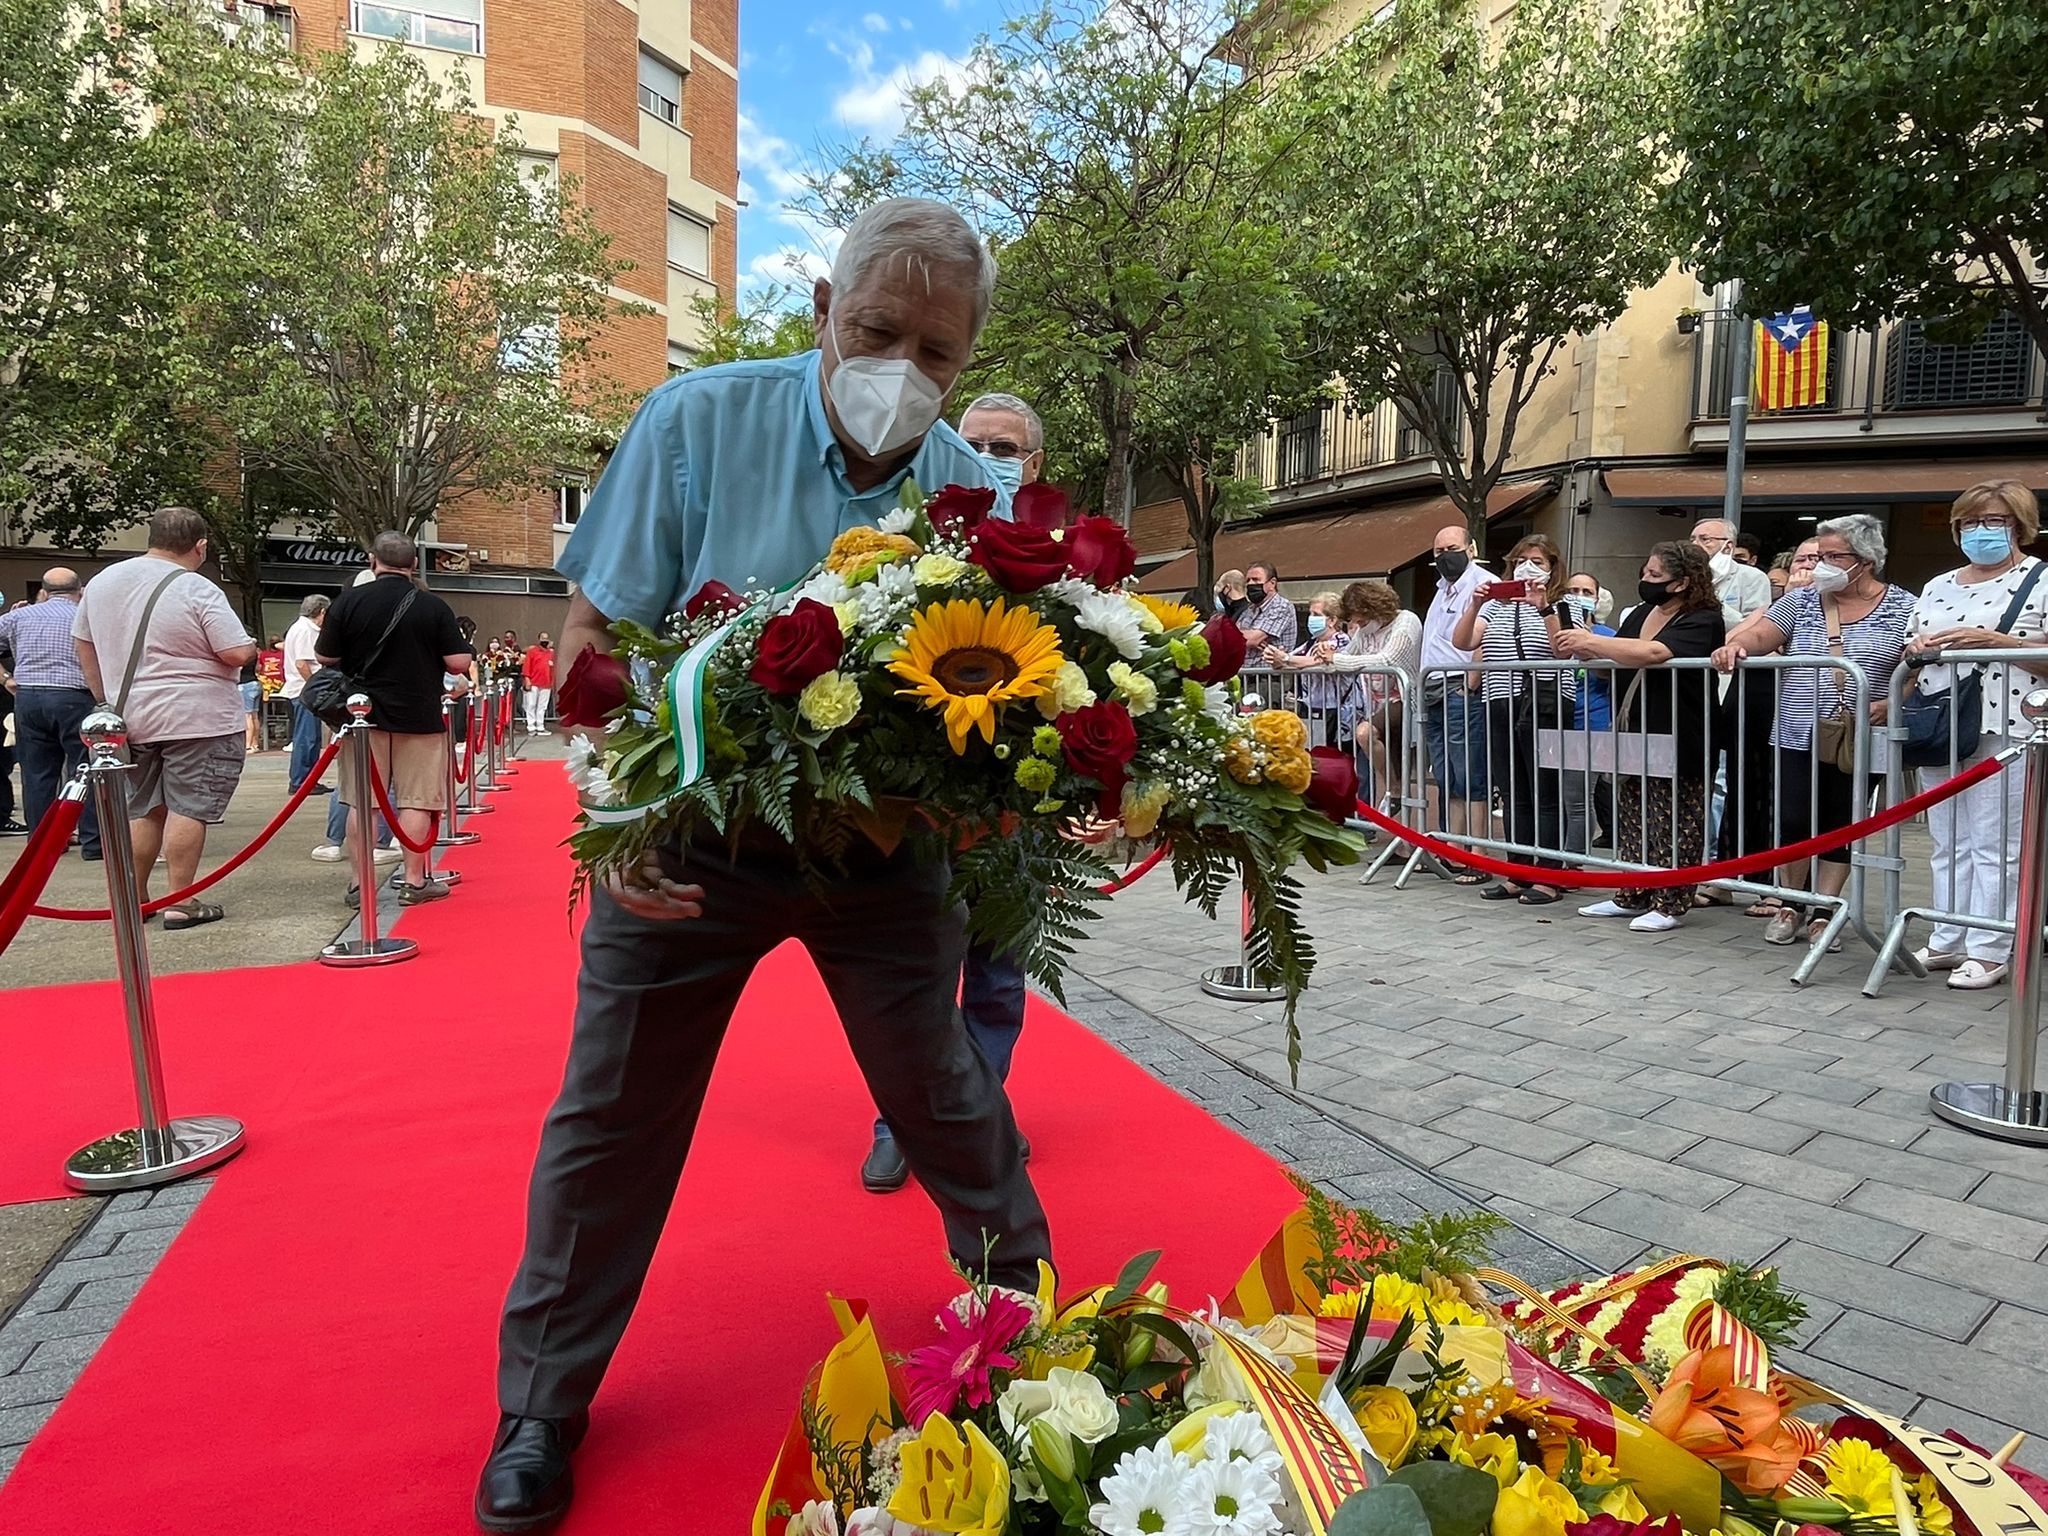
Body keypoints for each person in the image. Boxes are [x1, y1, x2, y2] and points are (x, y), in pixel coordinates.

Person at [478, 197, 1048, 1533]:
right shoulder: (697, 424)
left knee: (944, 1091)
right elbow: (597, 629)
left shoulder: (971, 486)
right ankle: (538, 1405)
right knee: (612, 1113)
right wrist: (615, 813)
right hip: (688, 845)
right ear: (818, 312)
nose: (904, 371)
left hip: (881, 859)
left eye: (939, 354)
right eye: (877, 330)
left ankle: (1028, 1305)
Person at [862, 389, 1042, 1196]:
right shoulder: (912, 546)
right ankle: (898, 1126)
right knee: (916, 979)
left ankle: (978, 1113)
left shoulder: (1060, 555)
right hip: (923, 807)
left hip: (1016, 807)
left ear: (1031, 464)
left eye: (1003, 448)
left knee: (999, 979)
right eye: (973, 443)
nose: (987, 457)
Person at [1713, 513, 1914, 952]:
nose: (1820, 564)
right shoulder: (1804, 601)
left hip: (1859, 733)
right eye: (1818, 555)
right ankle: (1791, 902)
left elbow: (1917, 666)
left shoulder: (1904, 606)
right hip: (1795, 729)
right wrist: (1738, 644)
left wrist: (1893, 702)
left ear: (1865, 559)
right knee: (1793, 819)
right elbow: (1763, 632)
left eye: (1832, 556)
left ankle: (1825, 909)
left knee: (1841, 822)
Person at [71, 509, 256, 925]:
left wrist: (106, 698)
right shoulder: (197, 587)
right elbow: (234, 652)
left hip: (129, 716)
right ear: (200, 546)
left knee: (144, 808)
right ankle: (180, 900)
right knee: (187, 806)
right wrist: (250, 649)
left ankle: (135, 898)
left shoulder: (102, 583)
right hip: (198, 715)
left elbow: (83, 644)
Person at [1903, 480, 2048, 989]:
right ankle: (1948, 936)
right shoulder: (1938, 584)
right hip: (1943, 721)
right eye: (1970, 522)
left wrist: (1999, 641)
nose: (1979, 531)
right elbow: (1910, 649)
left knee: (1995, 842)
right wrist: (1917, 647)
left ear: (2019, 525)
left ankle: (1991, 945)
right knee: (1947, 840)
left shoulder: (2042, 580)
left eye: (1994, 521)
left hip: (2009, 725)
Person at [1566, 542, 1726, 931]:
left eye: (1655, 576)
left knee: (1677, 815)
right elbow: (1621, 656)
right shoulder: (1640, 612)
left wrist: (1592, 642)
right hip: (1634, 726)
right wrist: (1590, 653)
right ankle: (1632, 892)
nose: (1645, 580)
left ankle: (1671, 900)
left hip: (1682, 729)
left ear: (1682, 582)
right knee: (1634, 812)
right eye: (1645, 572)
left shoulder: (1703, 618)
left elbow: (1655, 653)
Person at [314, 531, 470, 907]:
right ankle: (414, 881)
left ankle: (359, 883)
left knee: (362, 801)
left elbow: (324, 658)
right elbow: (459, 662)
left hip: (362, 715)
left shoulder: (348, 602)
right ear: (413, 565)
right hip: (418, 714)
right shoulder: (432, 606)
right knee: (416, 799)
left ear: (372, 560)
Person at [1452, 533, 1572, 904]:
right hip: (1501, 697)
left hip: (1546, 701)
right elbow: (1464, 641)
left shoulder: (1564, 602)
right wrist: (1475, 605)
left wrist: (1543, 607)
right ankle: (1518, 870)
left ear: (1553, 567)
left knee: (1545, 790)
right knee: (1513, 790)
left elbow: (1563, 650)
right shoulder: (1498, 606)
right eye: (1522, 559)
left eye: (1539, 560)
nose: (1529, 566)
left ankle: (1550, 874)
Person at [0, 568, 100, 857]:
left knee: (37, 773)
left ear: (43, 591)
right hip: (74, 697)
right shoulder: (85, 617)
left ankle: (44, 842)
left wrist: (7, 678)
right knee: (85, 770)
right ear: (79, 591)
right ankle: (93, 841)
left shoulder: (19, 617)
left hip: (29, 698)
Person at [1420, 524, 1491, 875]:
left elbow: (1482, 636)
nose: (1445, 555)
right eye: (1438, 551)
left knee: (1469, 771)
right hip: (1433, 688)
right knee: (1446, 772)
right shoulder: (1441, 589)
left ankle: (1478, 853)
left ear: (1471, 548)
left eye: (1451, 547)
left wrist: (1471, 683)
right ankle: (1453, 846)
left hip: (1460, 688)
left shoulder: (1482, 585)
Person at [1320, 580, 1420, 809]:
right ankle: (1398, 804)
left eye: (1358, 617)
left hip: (1405, 701)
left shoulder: (1406, 621)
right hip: (1377, 705)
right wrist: (1294, 660)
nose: (1356, 623)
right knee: (1397, 769)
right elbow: (1346, 657)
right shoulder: (1365, 631)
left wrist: (1336, 659)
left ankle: (1392, 788)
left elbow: (1387, 659)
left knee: (1364, 733)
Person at [1557, 571, 1618, 853]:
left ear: (1597, 597)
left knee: (1578, 796)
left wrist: (1587, 646)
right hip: (1557, 722)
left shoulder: (1608, 635)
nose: (1579, 597)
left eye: (1586, 591)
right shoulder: (1553, 630)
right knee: (1556, 797)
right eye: (1573, 590)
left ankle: (1573, 859)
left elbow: (1613, 675)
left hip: (1592, 722)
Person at [282, 595, 332, 793]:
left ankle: (307, 779)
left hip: (301, 688)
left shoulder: (299, 628)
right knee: (307, 736)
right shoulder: (305, 630)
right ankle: (301, 779)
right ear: (321, 612)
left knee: (310, 736)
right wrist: (314, 685)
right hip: (304, 690)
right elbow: (302, 663)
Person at [957, 390, 1042, 498]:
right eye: (969, 448)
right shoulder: (938, 512)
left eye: (1002, 448)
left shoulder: (1055, 514)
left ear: (1035, 464)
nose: (983, 458)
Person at [1692, 518, 1774, 628]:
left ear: (1728, 546)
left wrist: (1709, 602)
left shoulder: (1753, 577)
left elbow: (1754, 625)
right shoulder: (1683, 576)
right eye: (1692, 539)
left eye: (1705, 539)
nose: (1695, 544)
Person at [1237, 560, 1296, 660]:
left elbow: (1252, 640)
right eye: (1248, 581)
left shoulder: (1282, 606)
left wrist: (1247, 637)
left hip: (1270, 674)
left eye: (1256, 580)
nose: (1250, 584)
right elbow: (1231, 636)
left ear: (1272, 583)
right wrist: (1242, 637)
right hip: (1247, 672)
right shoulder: (1250, 609)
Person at [521, 633, 555, 734]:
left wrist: (552, 683)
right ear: (539, 639)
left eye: (546, 638)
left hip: (546, 684)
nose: (545, 640)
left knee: (542, 706)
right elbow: (526, 667)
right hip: (533, 683)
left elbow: (553, 669)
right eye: (542, 638)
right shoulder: (532, 651)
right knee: (531, 705)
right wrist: (527, 680)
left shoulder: (551, 653)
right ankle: (531, 726)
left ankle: (540, 726)